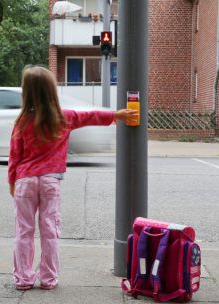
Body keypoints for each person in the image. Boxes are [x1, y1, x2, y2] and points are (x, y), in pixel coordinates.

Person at [8, 65, 138, 291]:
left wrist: (12, 182)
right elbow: (90, 116)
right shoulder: (64, 118)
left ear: (26, 91)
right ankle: (48, 279)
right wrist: (117, 115)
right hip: (50, 182)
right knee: (50, 231)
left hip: (24, 181)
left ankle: (23, 279)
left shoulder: (21, 122)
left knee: (24, 231)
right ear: (51, 91)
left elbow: (14, 156)